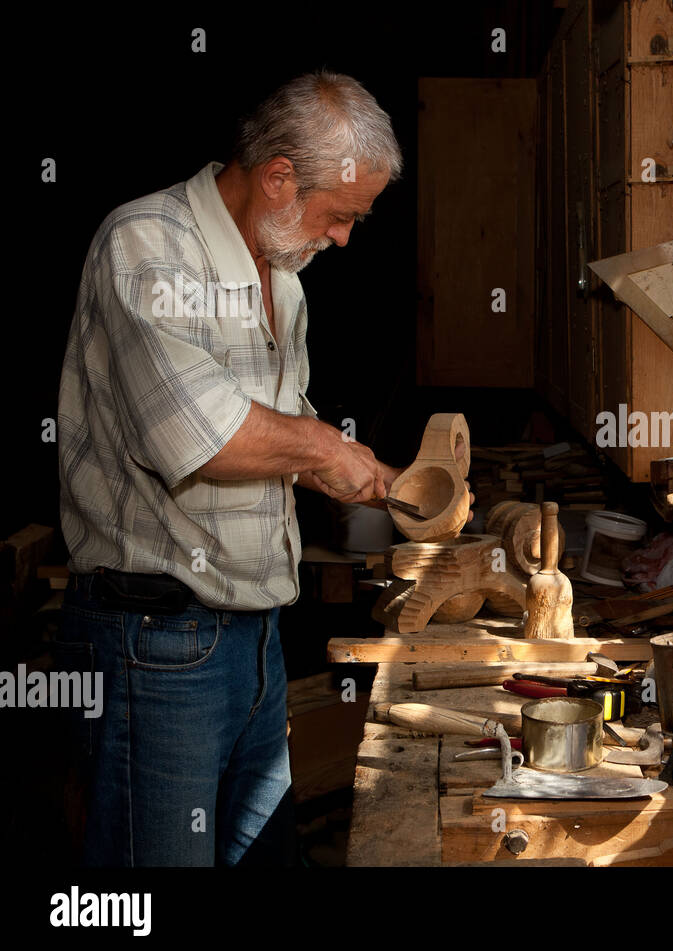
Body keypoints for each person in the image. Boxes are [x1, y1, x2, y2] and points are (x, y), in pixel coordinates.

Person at [56, 71, 410, 865]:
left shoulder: (282, 276)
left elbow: (272, 436)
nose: (346, 238)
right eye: (343, 216)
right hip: (157, 642)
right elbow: (203, 435)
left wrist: (364, 473)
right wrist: (325, 447)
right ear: (279, 174)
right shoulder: (148, 245)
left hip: (253, 640)